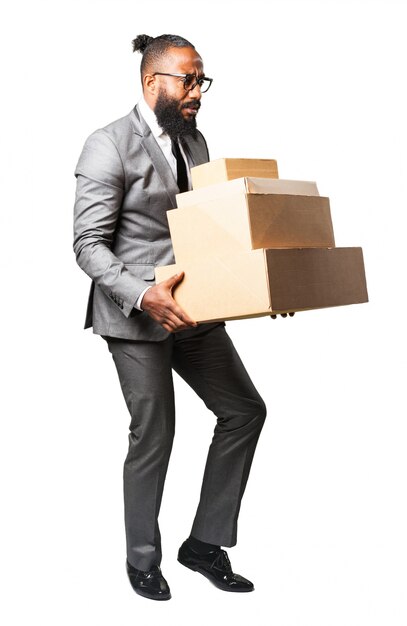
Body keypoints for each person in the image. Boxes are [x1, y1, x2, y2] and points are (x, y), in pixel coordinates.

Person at [73, 33, 267, 601]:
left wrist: (260, 288)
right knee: (155, 433)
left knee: (243, 410)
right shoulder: (107, 144)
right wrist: (142, 295)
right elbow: (87, 244)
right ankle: (142, 558)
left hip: (196, 310)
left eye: (202, 80)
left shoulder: (195, 141)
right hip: (135, 316)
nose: (197, 92)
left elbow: (206, 229)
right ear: (152, 80)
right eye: (188, 79)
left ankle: (204, 544)